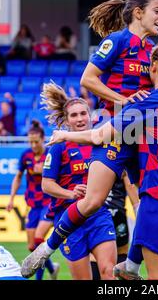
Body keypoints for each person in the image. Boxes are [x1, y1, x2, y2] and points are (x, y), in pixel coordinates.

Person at [22, 42, 158, 280]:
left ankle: (52, 248)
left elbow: (98, 135)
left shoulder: (147, 103)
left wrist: (65, 134)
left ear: (154, 67)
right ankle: (130, 266)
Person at [20, 0, 158, 279]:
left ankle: (133, 266)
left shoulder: (153, 51)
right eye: (157, 10)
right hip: (113, 130)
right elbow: (87, 79)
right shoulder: (117, 41)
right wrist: (122, 100)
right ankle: (45, 250)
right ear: (138, 12)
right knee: (94, 201)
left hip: (142, 135)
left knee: (148, 203)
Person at [40, 85, 117, 279]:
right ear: (66, 121)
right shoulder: (59, 147)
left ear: (90, 116)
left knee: (109, 272)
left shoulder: (101, 142)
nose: (80, 118)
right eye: (74, 115)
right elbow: (46, 185)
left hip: (98, 214)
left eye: (84, 113)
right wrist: (70, 193)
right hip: (68, 219)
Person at [6, 121, 58, 280]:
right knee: (32, 247)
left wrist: (44, 170)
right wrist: (11, 198)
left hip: (48, 203)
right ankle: (52, 268)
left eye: (36, 141)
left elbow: (59, 175)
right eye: (31, 141)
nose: (33, 145)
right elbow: (18, 177)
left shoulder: (50, 154)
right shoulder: (26, 155)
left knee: (38, 240)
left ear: (43, 139)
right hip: (33, 204)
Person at [90, 171, 140, 280]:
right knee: (122, 252)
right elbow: (130, 185)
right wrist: (137, 209)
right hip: (117, 212)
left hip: (99, 213)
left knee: (95, 254)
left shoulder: (93, 159)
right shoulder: (121, 159)